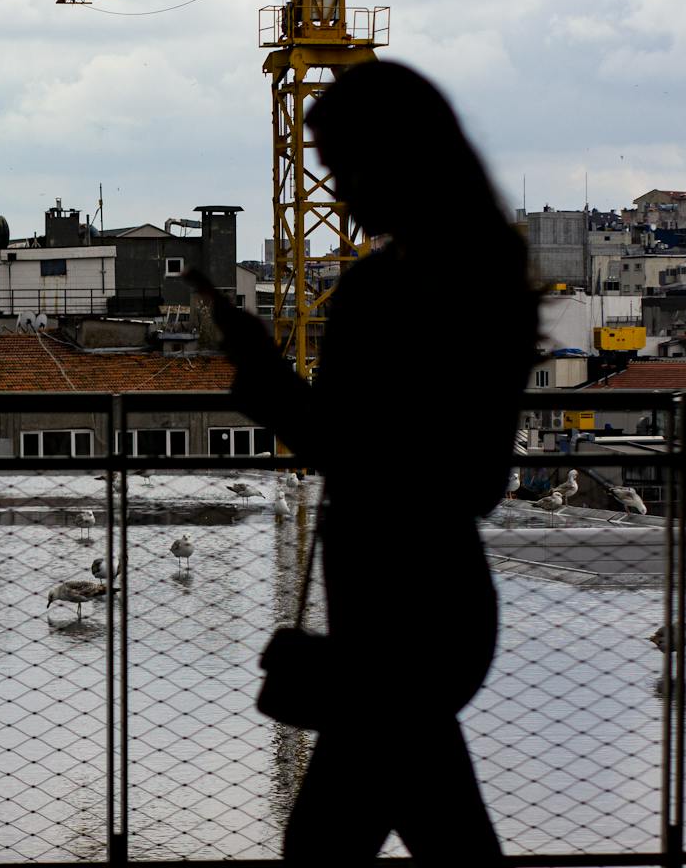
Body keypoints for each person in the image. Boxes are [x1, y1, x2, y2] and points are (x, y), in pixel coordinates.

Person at [192, 60, 534, 862]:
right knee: (425, 832)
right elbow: (457, 474)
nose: (337, 194)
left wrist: (267, 379)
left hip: (395, 617)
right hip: (432, 607)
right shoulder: (481, 279)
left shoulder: (387, 289)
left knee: (333, 844)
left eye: (343, 169)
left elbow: (347, 447)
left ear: (396, 159)